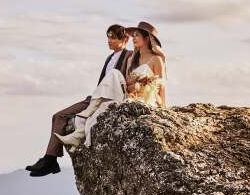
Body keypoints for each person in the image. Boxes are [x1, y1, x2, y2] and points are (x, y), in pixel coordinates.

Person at [25, 25, 131, 177]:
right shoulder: (110, 58)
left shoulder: (129, 56)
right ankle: (50, 159)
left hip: (109, 99)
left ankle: (49, 161)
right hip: (95, 96)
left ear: (125, 39)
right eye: (108, 37)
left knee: (67, 116)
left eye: (113, 37)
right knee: (59, 116)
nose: (109, 40)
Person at [55, 21, 166, 149]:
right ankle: (82, 126)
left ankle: (80, 132)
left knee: (105, 105)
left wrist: (163, 108)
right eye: (133, 35)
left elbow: (161, 86)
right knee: (114, 74)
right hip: (128, 96)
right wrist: (135, 84)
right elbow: (128, 84)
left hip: (145, 100)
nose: (133, 38)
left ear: (147, 38)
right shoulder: (133, 59)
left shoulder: (156, 59)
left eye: (137, 35)